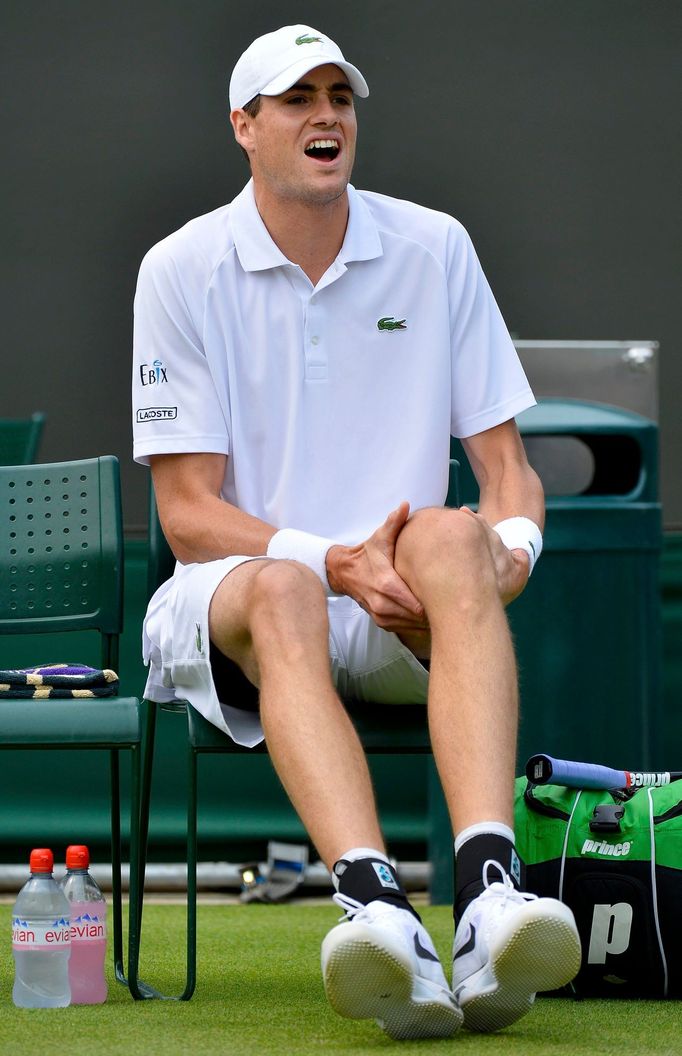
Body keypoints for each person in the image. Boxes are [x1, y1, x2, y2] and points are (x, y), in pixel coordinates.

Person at [132, 24, 581, 1039]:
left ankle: (485, 897)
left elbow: (508, 469)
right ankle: (377, 906)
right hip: (237, 603)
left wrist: (510, 552)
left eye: (339, 95)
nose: (325, 114)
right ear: (244, 127)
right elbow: (188, 515)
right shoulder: (180, 268)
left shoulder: (435, 247)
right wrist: (329, 561)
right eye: (295, 100)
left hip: (400, 610)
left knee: (457, 537)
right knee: (285, 587)